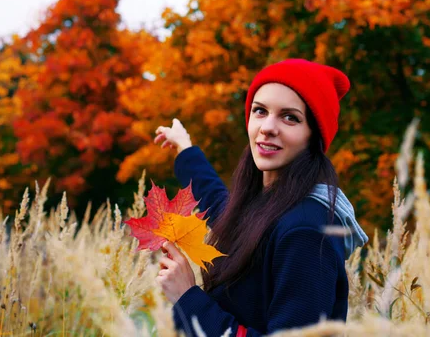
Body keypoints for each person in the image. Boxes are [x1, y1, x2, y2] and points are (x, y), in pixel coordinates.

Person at [153, 59, 368, 337]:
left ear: (313, 136)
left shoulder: (306, 232)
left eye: (290, 117)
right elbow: (222, 206)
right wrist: (186, 149)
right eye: (260, 111)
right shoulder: (267, 202)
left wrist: (188, 298)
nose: (268, 127)